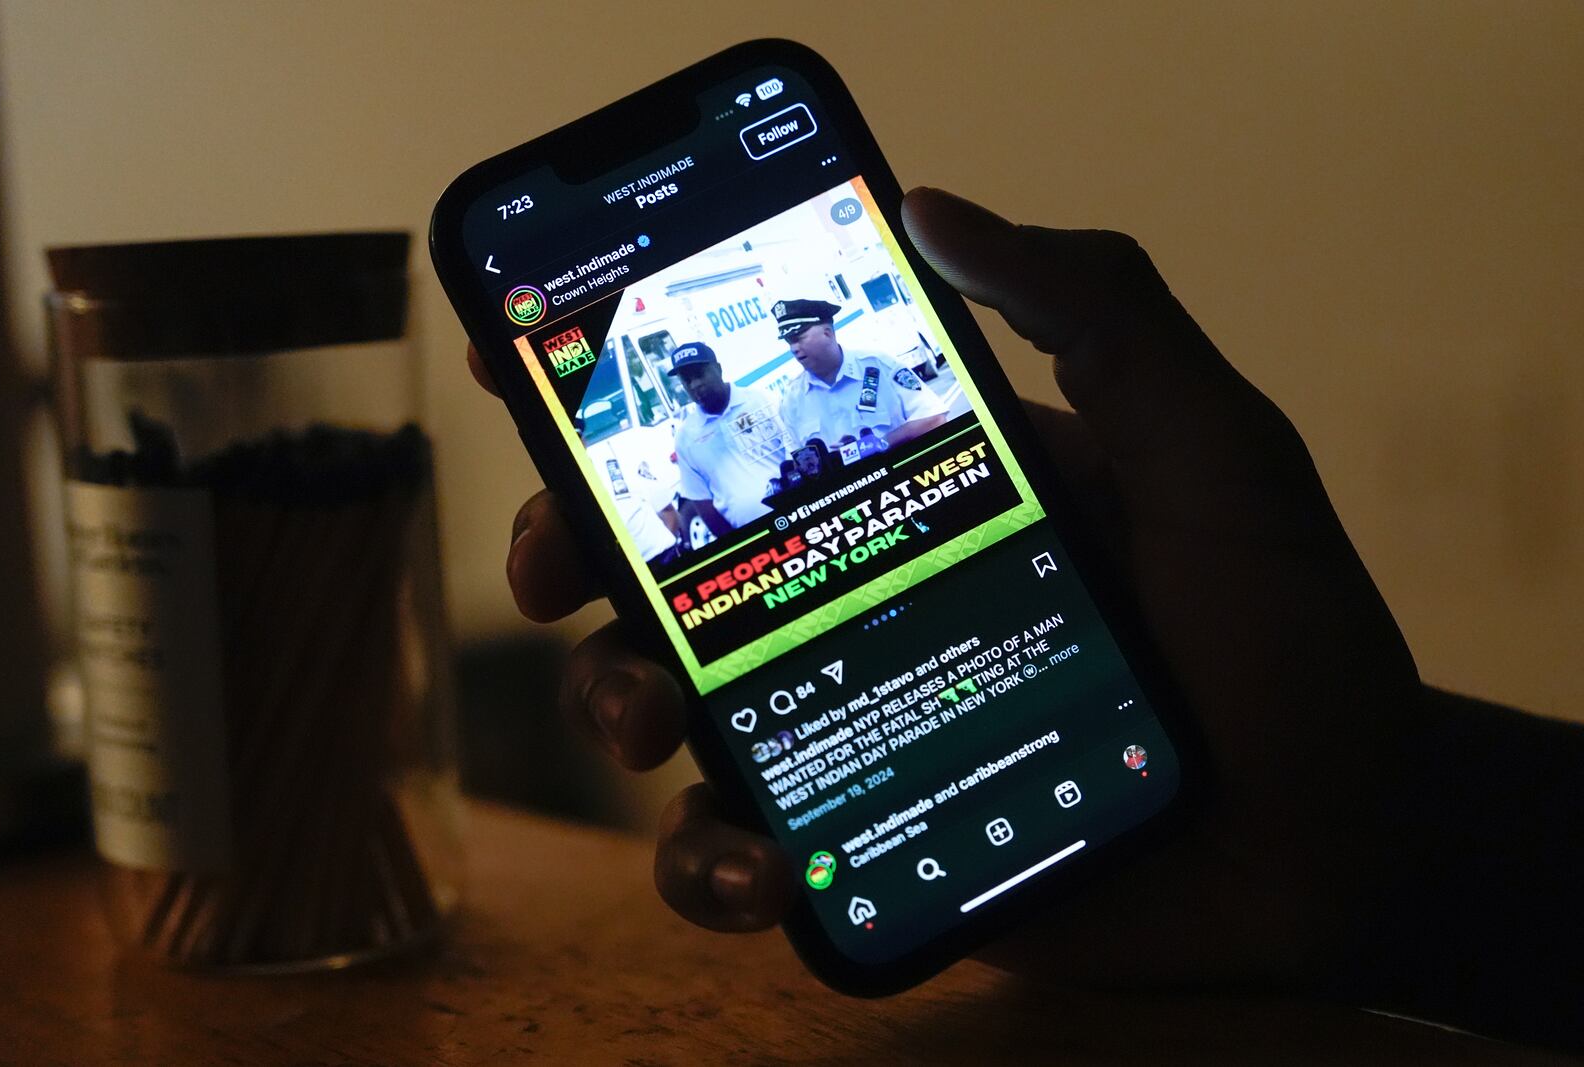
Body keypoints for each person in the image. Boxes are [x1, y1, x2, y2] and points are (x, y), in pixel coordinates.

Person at [474, 188, 1584, 1054]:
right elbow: (730, 496)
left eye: (745, 351)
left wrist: (1375, 840)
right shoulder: (706, 435)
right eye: (701, 366)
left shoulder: (854, 379)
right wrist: (1388, 848)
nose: (737, 368)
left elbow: (905, 426)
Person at [772, 298, 948, 449]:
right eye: (789, 342)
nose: (794, 348)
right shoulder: (792, 400)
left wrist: (878, 445)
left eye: (799, 338)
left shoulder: (879, 366)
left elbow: (934, 417)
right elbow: (798, 459)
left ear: (827, 333)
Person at [667, 341, 793, 537]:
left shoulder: (762, 400)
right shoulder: (686, 437)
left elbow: (797, 453)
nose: (695, 385)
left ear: (718, 369)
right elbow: (702, 501)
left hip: (795, 516)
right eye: (687, 381)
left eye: (700, 374)